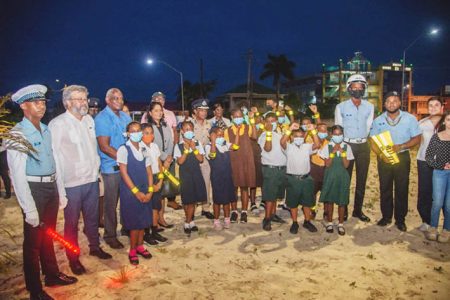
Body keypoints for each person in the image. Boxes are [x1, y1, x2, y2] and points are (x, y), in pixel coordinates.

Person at [7, 84, 77, 300]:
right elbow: (16, 175)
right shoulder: (17, 134)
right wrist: (29, 208)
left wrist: (60, 191)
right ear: (23, 106)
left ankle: (52, 274)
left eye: (43, 102)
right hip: (33, 189)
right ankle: (35, 289)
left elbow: (55, 161)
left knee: (48, 235)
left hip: (50, 187)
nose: (42, 106)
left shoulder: (45, 130)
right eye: (36, 102)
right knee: (32, 242)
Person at [49, 85, 112, 276]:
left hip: (91, 180)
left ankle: (94, 246)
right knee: (71, 224)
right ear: (67, 102)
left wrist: (96, 173)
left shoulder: (88, 121)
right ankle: (73, 258)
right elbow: (55, 158)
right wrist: (60, 189)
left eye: (85, 98)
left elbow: (93, 150)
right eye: (79, 99)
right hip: (71, 184)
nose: (84, 102)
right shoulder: (57, 125)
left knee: (92, 219)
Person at [370, 91, 421, 232]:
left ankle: (400, 219)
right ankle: (386, 217)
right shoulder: (378, 120)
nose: (391, 104)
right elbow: (372, 140)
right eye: (388, 101)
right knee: (385, 187)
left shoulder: (410, 119)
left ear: (399, 103)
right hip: (384, 158)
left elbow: (417, 138)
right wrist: (380, 154)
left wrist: (402, 146)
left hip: (402, 157)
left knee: (401, 188)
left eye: (394, 101)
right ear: (384, 104)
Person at [95, 88, 132, 249]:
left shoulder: (125, 116)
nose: (118, 100)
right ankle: (110, 234)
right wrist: (125, 159)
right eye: (114, 98)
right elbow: (104, 147)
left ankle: (126, 228)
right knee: (111, 203)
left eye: (121, 98)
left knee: (127, 200)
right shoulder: (102, 118)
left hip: (127, 165)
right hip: (111, 167)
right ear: (107, 100)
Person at [334, 74, 374, 222]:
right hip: (347, 145)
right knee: (345, 179)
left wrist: (363, 139)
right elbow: (338, 127)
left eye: (360, 87)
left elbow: (369, 126)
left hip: (363, 145)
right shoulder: (341, 107)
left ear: (364, 89)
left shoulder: (370, 106)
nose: (357, 89)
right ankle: (343, 209)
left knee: (362, 180)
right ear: (349, 88)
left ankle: (358, 210)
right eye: (354, 87)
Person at [117, 122, 154, 265]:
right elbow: (124, 173)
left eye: (139, 130)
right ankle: (132, 250)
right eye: (133, 131)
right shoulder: (124, 149)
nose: (137, 133)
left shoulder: (144, 149)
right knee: (134, 223)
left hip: (145, 189)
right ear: (128, 133)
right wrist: (136, 192)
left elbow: (149, 171)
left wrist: (150, 190)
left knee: (143, 220)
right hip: (131, 191)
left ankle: (140, 246)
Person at [280, 122, 320, 234]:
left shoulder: (307, 147)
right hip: (292, 179)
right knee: (293, 203)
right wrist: (289, 129)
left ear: (304, 137)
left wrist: (313, 131)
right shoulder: (289, 147)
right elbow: (282, 142)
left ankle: (307, 221)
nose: (299, 138)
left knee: (307, 202)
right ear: (292, 137)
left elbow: (317, 144)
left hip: (306, 179)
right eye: (296, 136)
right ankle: (294, 222)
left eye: (301, 137)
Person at [145, 101, 179, 217]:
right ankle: (155, 220)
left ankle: (161, 218)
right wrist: (165, 158)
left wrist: (169, 158)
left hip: (168, 161)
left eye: (160, 110)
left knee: (164, 190)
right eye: (156, 110)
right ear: (150, 112)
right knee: (156, 192)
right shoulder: (149, 127)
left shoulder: (165, 125)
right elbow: (154, 145)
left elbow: (171, 141)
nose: (159, 113)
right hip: (156, 163)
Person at [319, 125, 354, 235]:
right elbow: (327, 164)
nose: (338, 136)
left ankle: (340, 223)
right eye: (335, 134)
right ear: (331, 135)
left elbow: (347, 165)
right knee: (330, 200)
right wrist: (333, 152)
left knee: (342, 200)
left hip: (342, 176)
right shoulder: (327, 146)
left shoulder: (347, 147)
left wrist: (342, 152)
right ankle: (329, 222)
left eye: (340, 134)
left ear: (343, 135)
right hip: (330, 175)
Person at [174, 121, 207, 234]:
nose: (188, 131)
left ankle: (188, 222)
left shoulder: (197, 143)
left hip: (196, 173)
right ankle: (189, 221)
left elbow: (200, 159)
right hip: (185, 175)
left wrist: (194, 148)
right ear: (182, 131)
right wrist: (187, 150)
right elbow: (180, 161)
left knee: (193, 200)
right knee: (187, 199)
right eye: (186, 129)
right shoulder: (178, 146)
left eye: (190, 129)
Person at [224, 108, 257, 223]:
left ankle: (244, 211)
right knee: (233, 188)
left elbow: (254, 137)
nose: (238, 119)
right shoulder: (227, 131)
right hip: (233, 161)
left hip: (246, 160)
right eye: (236, 117)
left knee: (244, 187)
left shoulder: (247, 127)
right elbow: (228, 147)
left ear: (244, 117)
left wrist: (252, 120)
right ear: (232, 118)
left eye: (240, 116)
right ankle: (234, 211)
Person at [416, 97, 444, 232]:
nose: (433, 107)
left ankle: (444, 225)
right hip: (424, 161)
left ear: (442, 107)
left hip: (443, 163)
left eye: (436, 105)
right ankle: (426, 221)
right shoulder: (422, 123)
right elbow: (414, 139)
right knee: (425, 192)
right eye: (430, 105)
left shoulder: (447, 122)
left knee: (440, 194)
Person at [258, 112, 287, 231]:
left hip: (281, 168)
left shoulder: (280, 134)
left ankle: (273, 214)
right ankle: (267, 219)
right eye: (268, 121)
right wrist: (269, 132)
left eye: (273, 121)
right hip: (270, 169)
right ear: (265, 123)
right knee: (270, 196)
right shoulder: (263, 135)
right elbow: (268, 148)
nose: (271, 123)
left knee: (275, 195)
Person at [140, 123, 168, 245]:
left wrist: (160, 180)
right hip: (146, 179)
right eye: (146, 133)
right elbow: (146, 168)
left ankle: (155, 229)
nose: (150, 135)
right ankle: (147, 233)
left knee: (156, 206)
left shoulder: (154, 146)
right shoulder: (139, 148)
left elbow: (159, 163)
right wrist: (152, 186)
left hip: (157, 178)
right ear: (141, 135)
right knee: (147, 207)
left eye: (151, 132)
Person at [425, 111, 450, 243]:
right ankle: (433, 227)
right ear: (444, 121)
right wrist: (440, 165)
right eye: (449, 119)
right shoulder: (437, 137)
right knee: (438, 202)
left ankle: (446, 229)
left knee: (449, 205)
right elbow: (428, 156)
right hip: (439, 173)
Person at [205, 127, 235, 230]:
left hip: (227, 175)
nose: (221, 137)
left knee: (227, 199)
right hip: (217, 176)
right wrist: (213, 142)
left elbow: (236, 147)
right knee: (217, 200)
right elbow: (212, 156)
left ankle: (227, 219)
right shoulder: (208, 147)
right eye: (218, 135)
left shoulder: (225, 145)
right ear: (212, 136)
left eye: (222, 135)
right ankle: (216, 220)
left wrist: (237, 134)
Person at [191, 99, 214, 219]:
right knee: (193, 184)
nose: (204, 112)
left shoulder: (209, 124)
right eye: (201, 110)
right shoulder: (189, 124)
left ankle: (206, 208)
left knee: (206, 182)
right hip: (192, 158)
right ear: (195, 111)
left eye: (206, 110)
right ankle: (192, 210)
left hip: (205, 158)